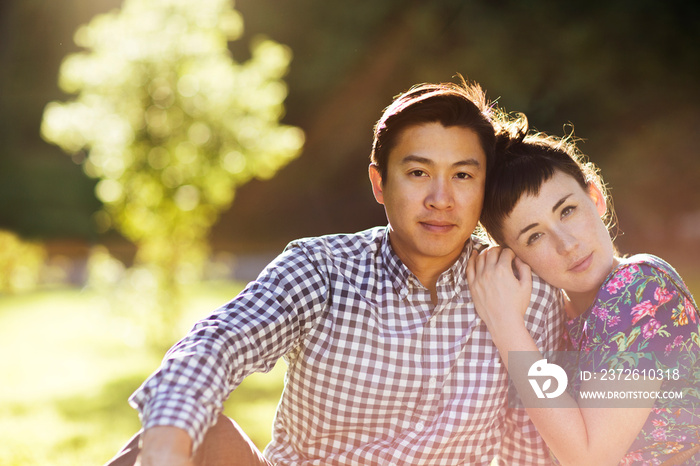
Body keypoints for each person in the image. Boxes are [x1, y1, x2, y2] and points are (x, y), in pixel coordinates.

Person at [105, 79, 565, 466]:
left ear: (484, 187)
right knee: (190, 434)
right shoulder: (321, 269)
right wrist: (165, 447)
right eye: (419, 173)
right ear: (379, 183)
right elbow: (218, 343)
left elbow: (539, 445)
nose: (441, 199)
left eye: (463, 176)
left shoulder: (523, 290)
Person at [467, 113, 700, 465]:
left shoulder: (639, 286)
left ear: (595, 196)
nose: (567, 244)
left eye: (568, 210)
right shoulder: (553, 321)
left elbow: (590, 458)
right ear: (513, 256)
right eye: (535, 235)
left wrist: (505, 323)